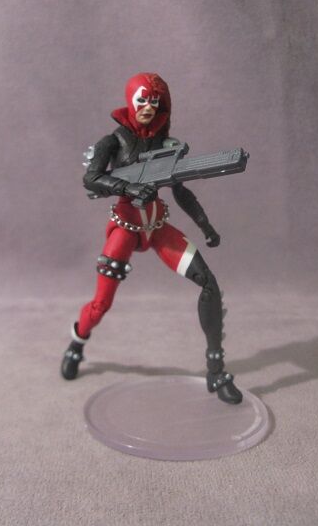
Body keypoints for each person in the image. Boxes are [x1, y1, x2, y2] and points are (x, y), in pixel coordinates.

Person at [61, 72, 243, 404]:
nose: (148, 107)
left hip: (157, 226)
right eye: (142, 100)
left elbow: (180, 190)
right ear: (131, 101)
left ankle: (216, 372)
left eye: (154, 101)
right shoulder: (112, 142)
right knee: (101, 304)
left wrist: (205, 226)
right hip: (125, 228)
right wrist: (128, 188)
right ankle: (78, 341)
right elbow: (91, 178)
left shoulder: (163, 144)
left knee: (209, 284)